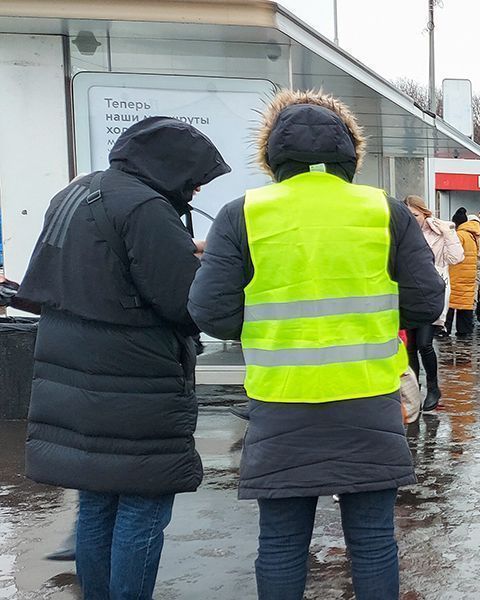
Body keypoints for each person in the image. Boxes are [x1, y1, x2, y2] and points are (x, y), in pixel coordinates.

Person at [188, 89, 445, 600]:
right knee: (372, 543)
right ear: (352, 156)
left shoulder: (243, 213)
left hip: (281, 400)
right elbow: (424, 302)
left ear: (272, 156)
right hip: (369, 399)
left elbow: (210, 311)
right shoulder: (384, 212)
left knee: (282, 545)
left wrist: (275, 328)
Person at [19, 117, 229, 599]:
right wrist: (207, 265)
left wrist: (180, 249)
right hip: (134, 379)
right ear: (170, 166)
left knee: (97, 501)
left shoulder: (79, 192)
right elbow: (183, 302)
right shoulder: (146, 207)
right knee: (143, 504)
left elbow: (98, 271)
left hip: (70, 369)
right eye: (195, 177)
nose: (196, 189)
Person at [404, 195, 461, 409]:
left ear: (424, 213)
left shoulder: (437, 232)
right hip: (408, 291)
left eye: (416, 214)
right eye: (408, 215)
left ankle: (433, 387)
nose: (412, 218)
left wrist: (448, 232)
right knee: (410, 345)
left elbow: (456, 258)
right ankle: (413, 389)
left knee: (424, 343)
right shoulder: (402, 232)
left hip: (430, 292)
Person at [446, 213, 480, 338]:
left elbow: (453, 254)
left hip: (456, 273)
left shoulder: (459, 235)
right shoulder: (472, 235)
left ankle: (445, 328)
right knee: (466, 302)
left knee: (450, 301)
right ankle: (464, 330)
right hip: (469, 273)